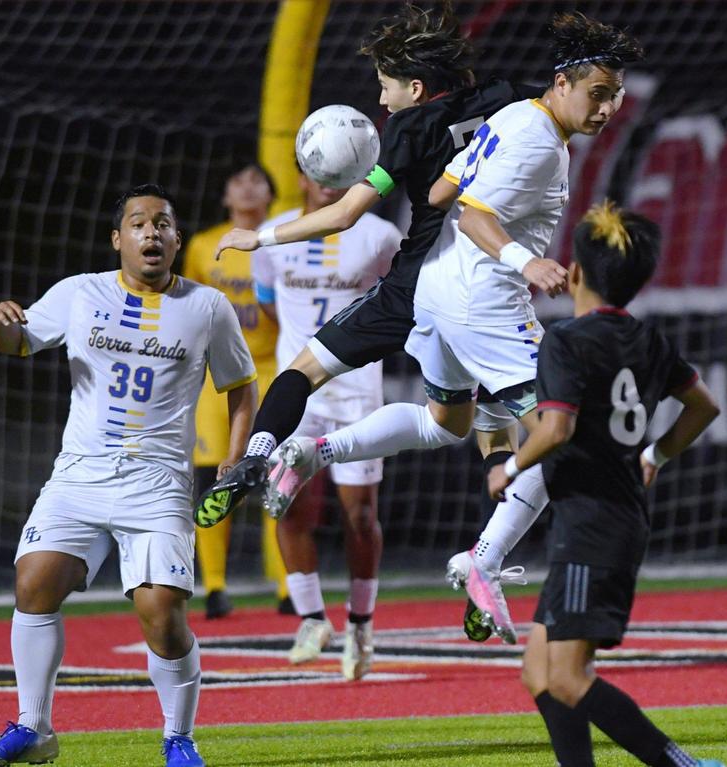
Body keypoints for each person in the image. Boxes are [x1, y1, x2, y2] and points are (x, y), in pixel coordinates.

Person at [260, 12, 643, 645]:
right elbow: (469, 216)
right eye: (598, 94)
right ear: (562, 84)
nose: (607, 108)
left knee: (447, 425)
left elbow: (438, 192)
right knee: (572, 435)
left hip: (438, 294)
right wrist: (529, 259)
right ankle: (482, 562)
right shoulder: (534, 136)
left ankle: (312, 451)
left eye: (616, 96)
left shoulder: (519, 118)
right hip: (483, 303)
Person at [193, 0, 538, 534]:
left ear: (416, 88)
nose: (381, 97)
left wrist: (259, 236)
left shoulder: (408, 128)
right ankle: (490, 554)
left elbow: (345, 214)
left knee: (300, 373)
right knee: (458, 425)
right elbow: (551, 106)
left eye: (386, 85)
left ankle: (259, 454)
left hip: (414, 285)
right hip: (479, 287)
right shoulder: (501, 97)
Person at [0, 185, 257, 767]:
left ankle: (179, 737)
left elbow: (241, 387)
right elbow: (17, 341)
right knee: (33, 584)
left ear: (176, 240)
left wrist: (235, 456)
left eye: (163, 224)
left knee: (161, 616)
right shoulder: (80, 292)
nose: (151, 232)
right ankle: (34, 727)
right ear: (117, 239)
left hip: (157, 484)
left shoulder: (207, 307)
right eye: (138, 223)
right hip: (79, 475)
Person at [487, 201, 723, 767]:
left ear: (574, 274)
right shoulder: (649, 339)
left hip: (592, 525)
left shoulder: (565, 341)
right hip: (609, 517)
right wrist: (657, 455)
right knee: (538, 672)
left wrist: (510, 467)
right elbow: (704, 405)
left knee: (567, 679)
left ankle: (681, 765)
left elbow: (557, 428)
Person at [252, 168, 401, 679]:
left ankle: (361, 625)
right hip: (298, 389)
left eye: (342, 172)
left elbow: (402, 296)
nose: (330, 182)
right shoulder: (274, 236)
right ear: (301, 176)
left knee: (359, 515)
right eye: (321, 172)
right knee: (288, 505)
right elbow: (269, 305)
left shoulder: (381, 235)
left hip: (358, 393)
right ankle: (312, 619)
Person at [183, 161, 288, 619]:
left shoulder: (284, 240)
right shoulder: (205, 246)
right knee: (213, 477)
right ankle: (215, 588)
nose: (247, 189)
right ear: (225, 196)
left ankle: (288, 588)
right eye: (238, 181)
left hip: (270, 368)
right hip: (217, 378)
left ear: (271, 195)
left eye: (257, 182)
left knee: (277, 477)